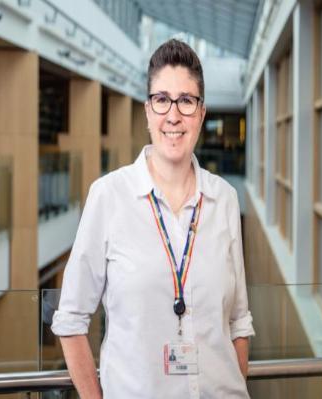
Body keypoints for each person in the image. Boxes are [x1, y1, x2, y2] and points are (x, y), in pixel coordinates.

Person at [51, 39, 255, 398]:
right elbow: (70, 321)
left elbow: (239, 322)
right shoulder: (109, 196)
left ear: (202, 113)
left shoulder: (224, 198)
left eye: (186, 101)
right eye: (162, 100)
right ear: (147, 111)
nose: (173, 115)